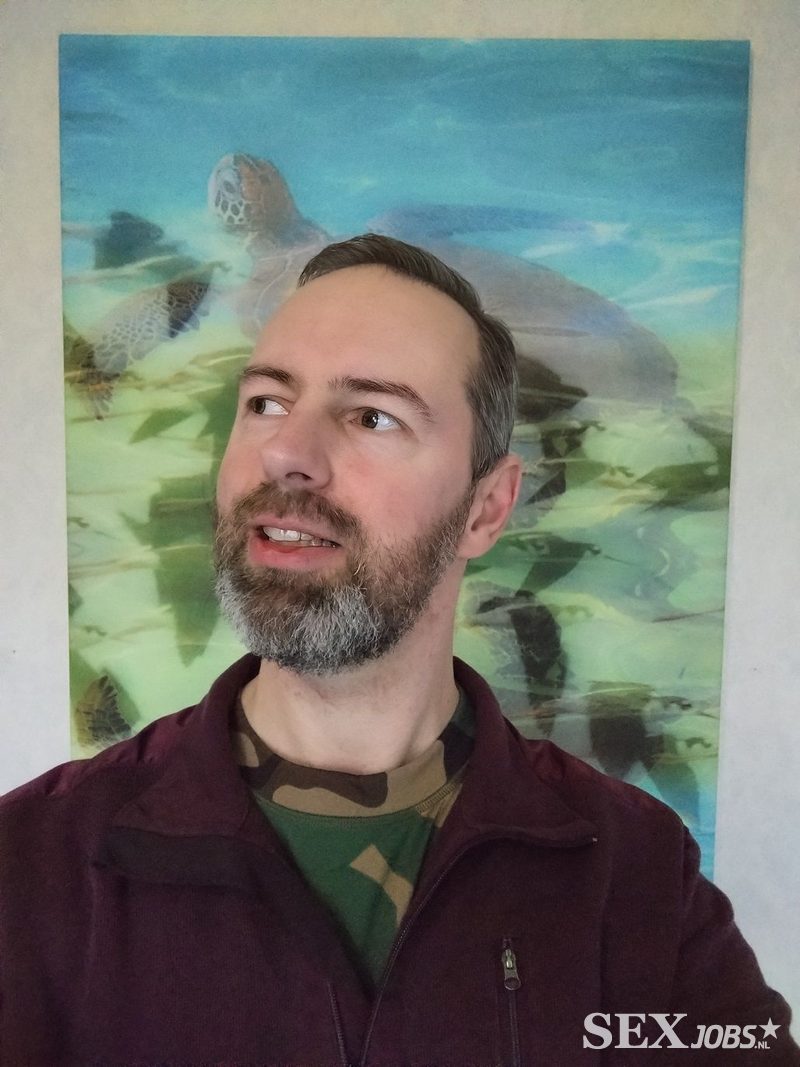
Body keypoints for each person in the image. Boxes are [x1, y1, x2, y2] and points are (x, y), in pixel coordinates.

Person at [0, 234, 796, 1065]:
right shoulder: (32, 869)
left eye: (372, 416)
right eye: (266, 402)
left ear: (486, 509)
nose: (287, 453)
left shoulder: (633, 877)